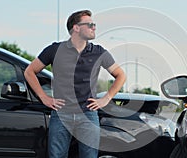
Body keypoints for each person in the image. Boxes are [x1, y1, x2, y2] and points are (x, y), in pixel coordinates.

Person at [24, 10, 126, 158]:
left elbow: (120, 75)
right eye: (90, 24)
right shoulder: (55, 50)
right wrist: (44, 97)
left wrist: (106, 98)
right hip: (61, 114)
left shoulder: (99, 52)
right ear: (76, 28)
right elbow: (29, 71)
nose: (94, 27)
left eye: (94, 24)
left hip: (88, 114)